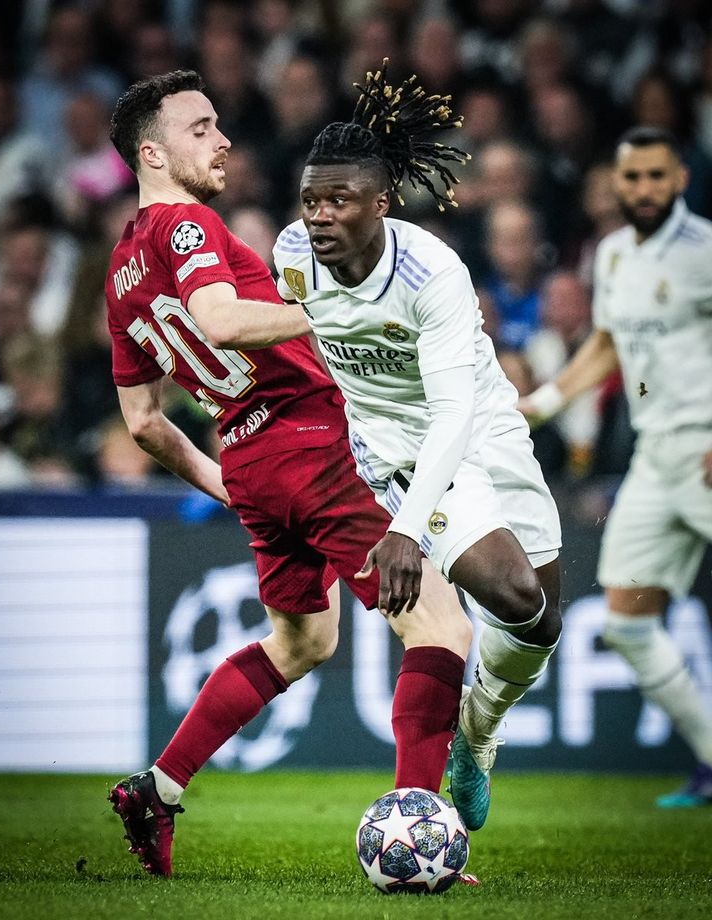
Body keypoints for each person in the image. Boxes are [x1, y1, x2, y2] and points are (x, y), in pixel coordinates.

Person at [104, 70, 472, 877]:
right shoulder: (189, 225)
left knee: (303, 640)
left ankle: (158, 789)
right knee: (442, 626)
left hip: (253, 458)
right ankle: (421, 829)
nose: (223, 139)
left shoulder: (121, 269)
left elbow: (143, 423)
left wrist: (226, 483)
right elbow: (220, 320)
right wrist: (338, 309)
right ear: (153, 152)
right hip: (310, 441)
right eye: (201, 128)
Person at [272, 61, 563, 834]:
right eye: (310, 201)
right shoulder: (292, 257)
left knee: (542, 619)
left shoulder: (430, 271)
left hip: (477, 422)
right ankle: (449, 767)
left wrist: (405, 533)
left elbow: (454, 408)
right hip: (394, 447)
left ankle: (479, 732)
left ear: (382, 202)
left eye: (338, 200)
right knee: (506, 591)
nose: (320, 217)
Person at [520, 126, 712, 809]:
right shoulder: (612, 256)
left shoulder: (704, 252)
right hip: (656, 462)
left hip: (706, 446)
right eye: (632, 178)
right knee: (626, 624)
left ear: (681, 179)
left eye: (657, 176)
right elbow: (606, 344)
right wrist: (537, 406)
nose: (644, 190)